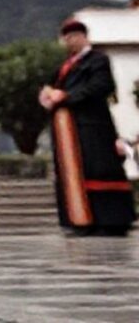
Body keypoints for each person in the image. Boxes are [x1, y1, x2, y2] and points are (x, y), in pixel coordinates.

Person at [40, 18, 136, 236]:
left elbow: (101, 86)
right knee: (74, 173)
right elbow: (51, 89)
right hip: (69, 130)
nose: (69, 41)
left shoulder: (98, 61)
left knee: (99, 169)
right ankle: (79, 219)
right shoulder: (63, 68)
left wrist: (67, 96)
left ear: (84, 37)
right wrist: (48, 96)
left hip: (93, 126)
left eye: (74, 36)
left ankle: (110, 221)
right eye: (66, 37)